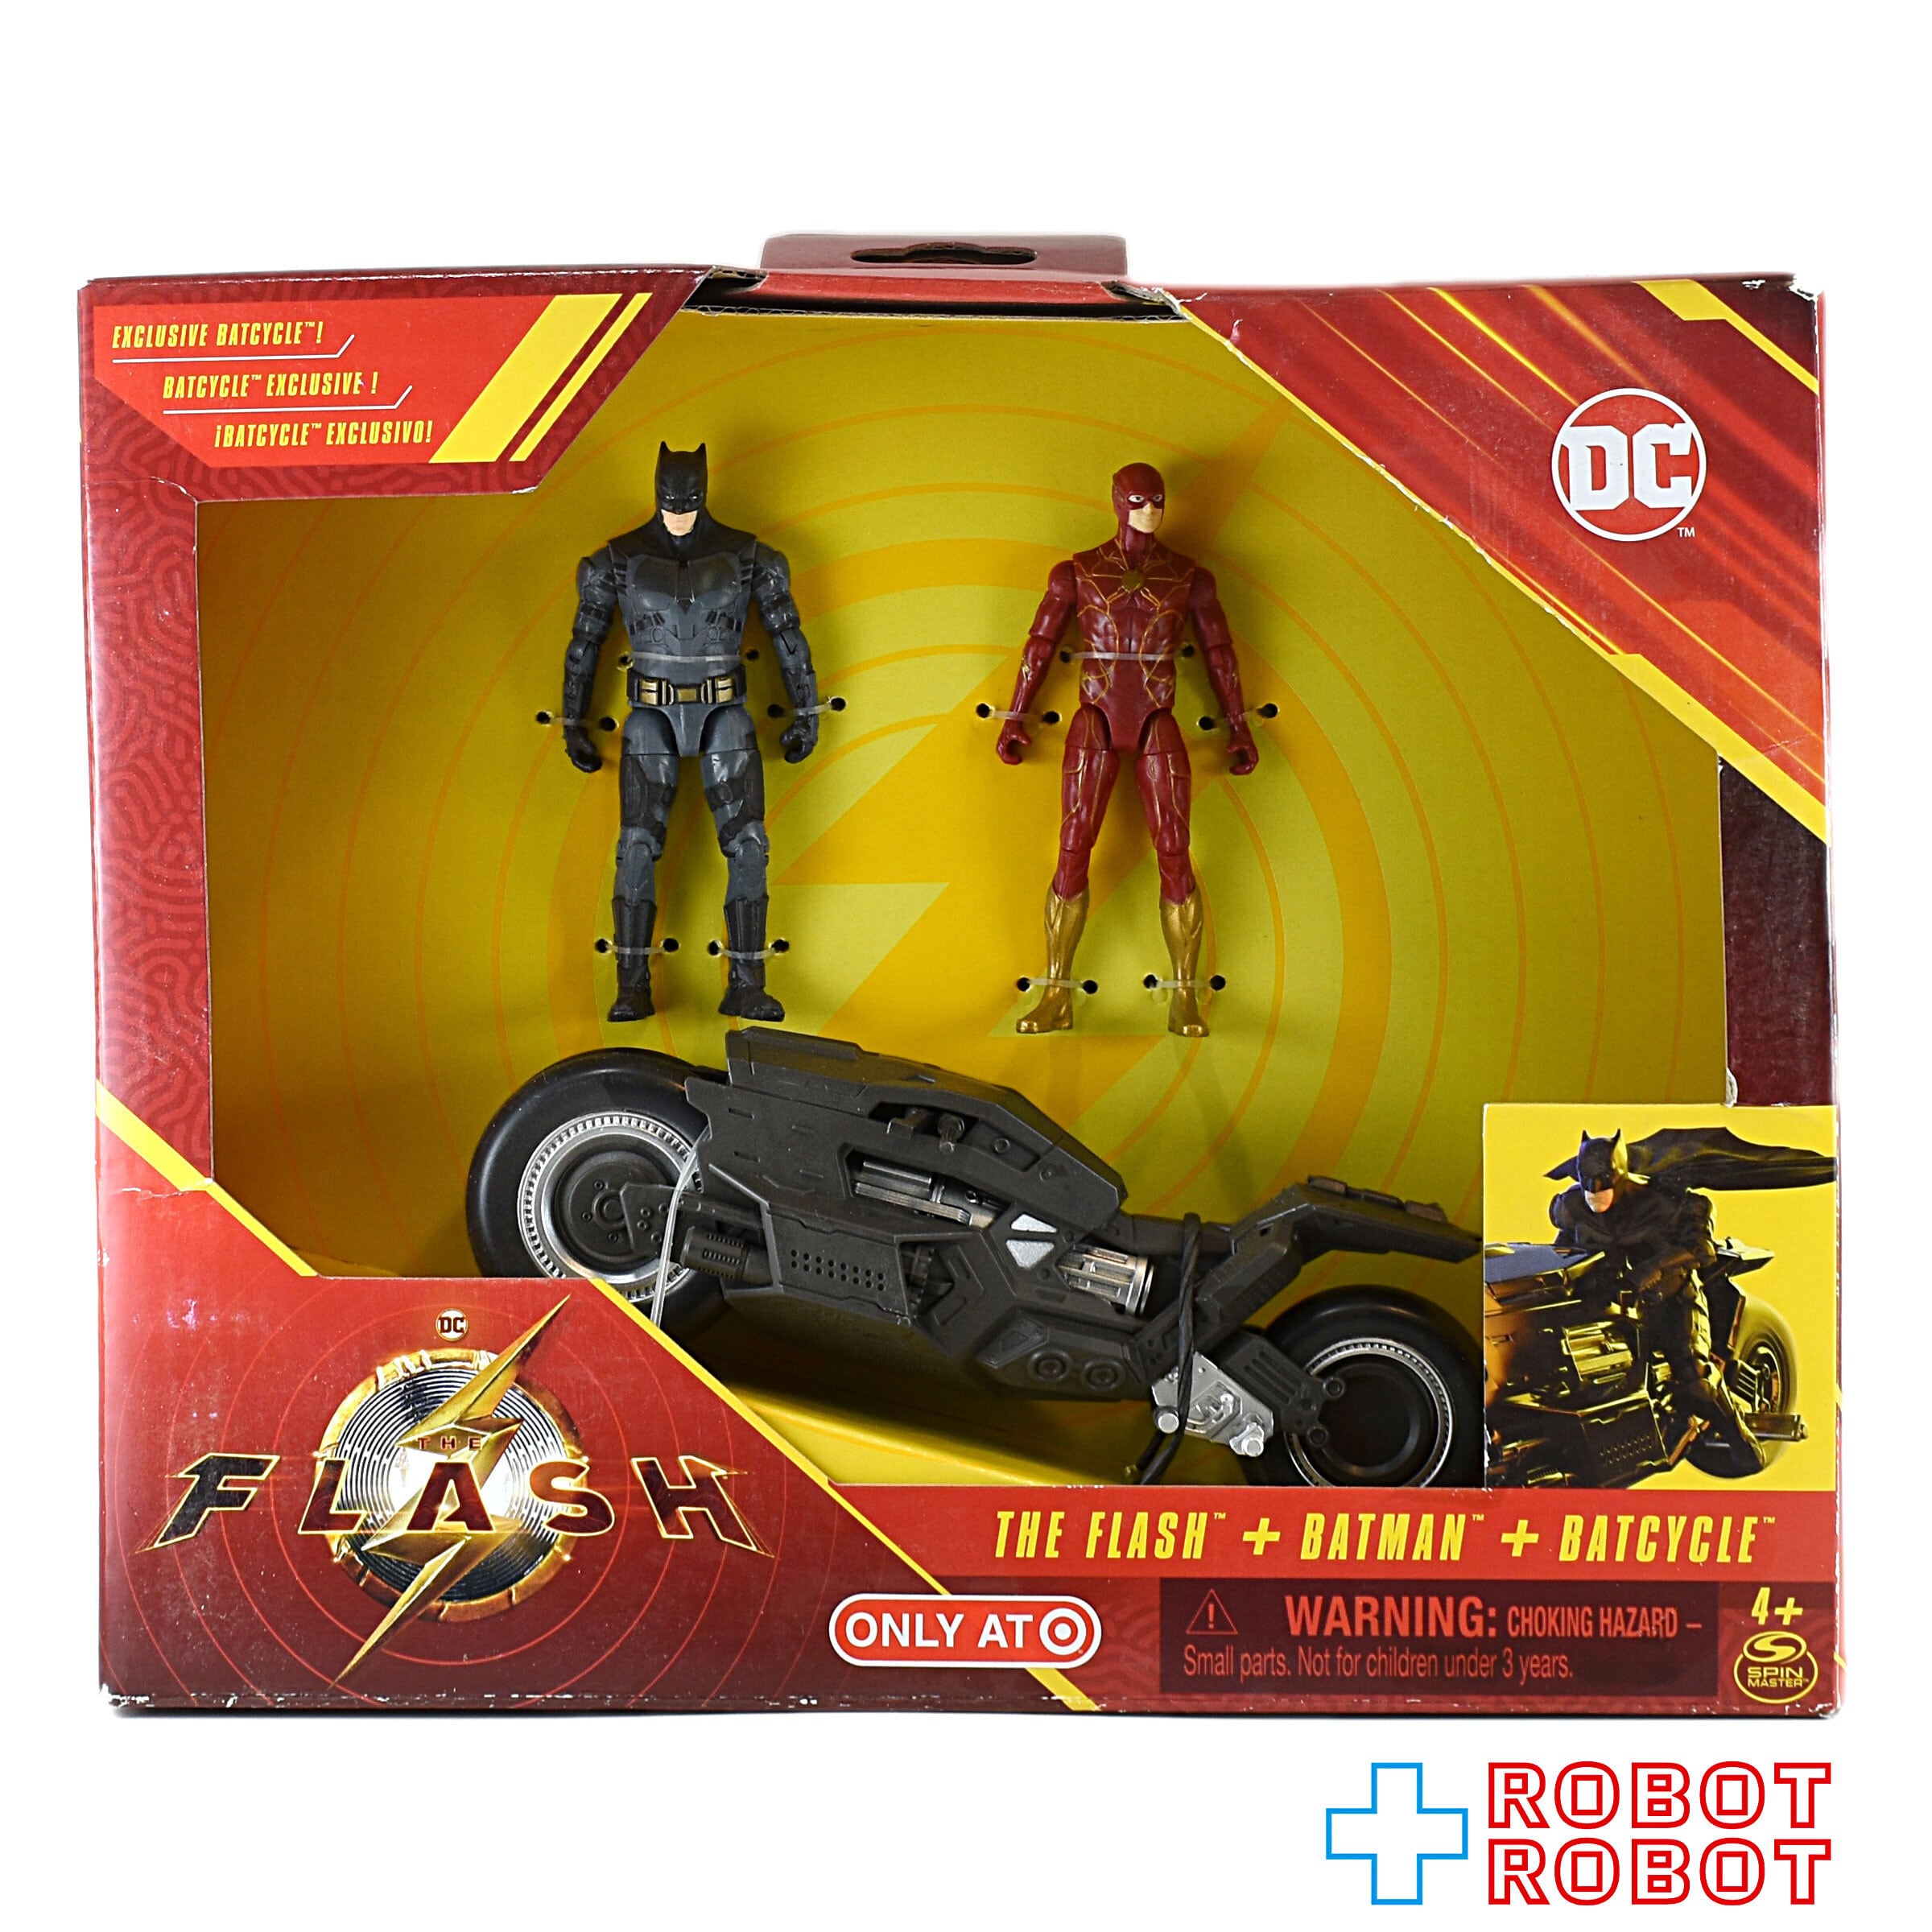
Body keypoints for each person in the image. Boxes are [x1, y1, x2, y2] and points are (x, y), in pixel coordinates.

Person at [996, 462, 1258, 1036]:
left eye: (1157, 500)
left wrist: (1239, 725)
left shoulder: (1189, 577)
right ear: (1117, 502)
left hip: (1157, 717)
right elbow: (1039, 644)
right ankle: (1057, 992)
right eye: (1139, 501)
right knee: (1073, 846)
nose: (1150, 511)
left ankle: (1184, 995)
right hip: (1094, 715)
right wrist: (1016, 713)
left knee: (1175, 849)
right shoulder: (1078, 572)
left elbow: (1220, 653)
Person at [560, 444, 818, 1022]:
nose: (679, 511)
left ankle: (747, 982)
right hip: (650, 713)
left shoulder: (749, 556)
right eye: (671, 500)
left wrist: (808, 711)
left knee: (749, 845)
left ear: (704, 493)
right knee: (635, 846)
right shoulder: (616, 560)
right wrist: (572, 721)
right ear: (657, 492)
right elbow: (586, 643)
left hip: (725, 709)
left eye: (689, 500)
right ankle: (632, 986)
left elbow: (788, 634)